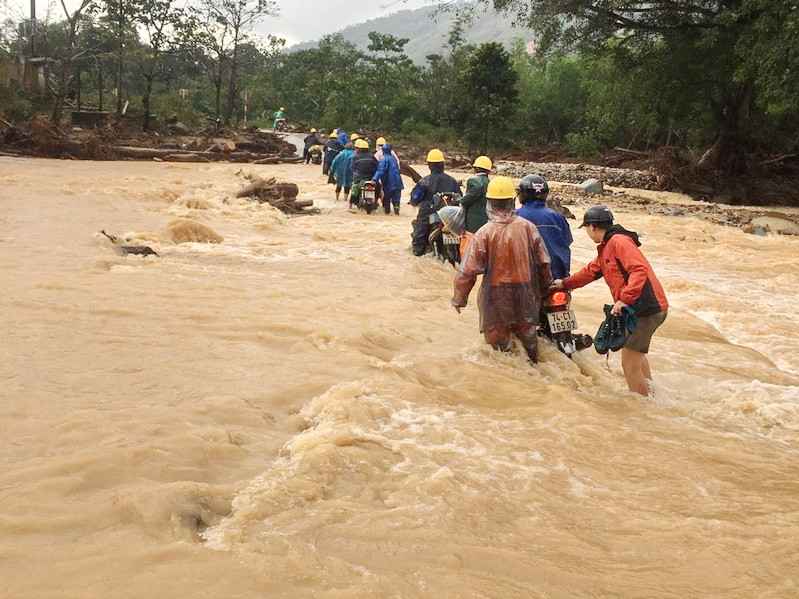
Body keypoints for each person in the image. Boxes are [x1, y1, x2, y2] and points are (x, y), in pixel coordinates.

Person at [551, 205, 668, 395]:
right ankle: (652, 397)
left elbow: (639, 270)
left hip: (646, 308)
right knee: (636, 356)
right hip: (647, 308)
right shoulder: (608, 247)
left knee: (629, 364)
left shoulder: (619, 242)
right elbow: (590, 272)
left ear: (592, 227)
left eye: (587, 229)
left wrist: (624, 300)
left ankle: (642, 410)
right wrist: (564, 283)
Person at [452, 176, 552, 363]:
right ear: (512, 200)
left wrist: (459, 299)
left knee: (499, 352)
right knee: (529, 345)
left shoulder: (484, 232)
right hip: (526, 293)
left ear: (489, 203)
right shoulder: (528, 228)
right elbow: (544, 263)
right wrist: (546, 289)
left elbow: (468, 271)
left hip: (496, 297)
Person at [516, 175, 573, 280]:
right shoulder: (558, 217)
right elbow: (567, 241)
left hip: (522, 277)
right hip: (556, 277)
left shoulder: (514, 217)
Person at [409, 149, 462, 256]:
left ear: (429, 165)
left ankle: (418, 253)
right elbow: (460, 197)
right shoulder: (452, 180)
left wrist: (413, 202)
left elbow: (415, 198)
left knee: (419, 237)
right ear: (442, 164)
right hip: (449, 215)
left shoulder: (424, 181)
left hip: (428, 213)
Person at [459, 155, 492, 256]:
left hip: (473, 223)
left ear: (475, 169)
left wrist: (462, 201)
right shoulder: (490, 182)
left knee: (467, 251)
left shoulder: (474, 180)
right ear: (489, 171)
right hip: (487, 222)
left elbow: (476, 189)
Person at [372, 143, 404, 215]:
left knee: (387, 200)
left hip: (389, 183)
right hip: (398, 182)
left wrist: (374, 179)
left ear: (383, 151)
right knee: (396, 200)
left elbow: (381, 171)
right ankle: (397, 212)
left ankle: (387, 213)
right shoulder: (394, 159)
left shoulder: (384, 160)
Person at [350, 138, 379, 211]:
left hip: (359, 178)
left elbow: (352, 167)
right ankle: (375, 202)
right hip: (371, 178)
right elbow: (377, 167)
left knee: (354, 190)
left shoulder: (355, 157)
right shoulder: (372, 156)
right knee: (378, 187)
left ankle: (351, 204)